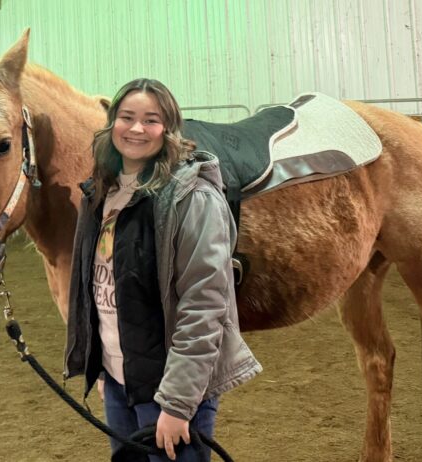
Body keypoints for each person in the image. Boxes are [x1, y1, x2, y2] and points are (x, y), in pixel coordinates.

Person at [64, 78, 262, 461]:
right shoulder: (100, 193)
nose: (137, 128)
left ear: (168, 129)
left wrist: (176, 403)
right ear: (112, 124)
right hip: (121, 382)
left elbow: (204, 306)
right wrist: (104, 369)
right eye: (127, 117)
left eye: (151, 120)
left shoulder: (193, 199)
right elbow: (100, 291)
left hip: (172, 390)